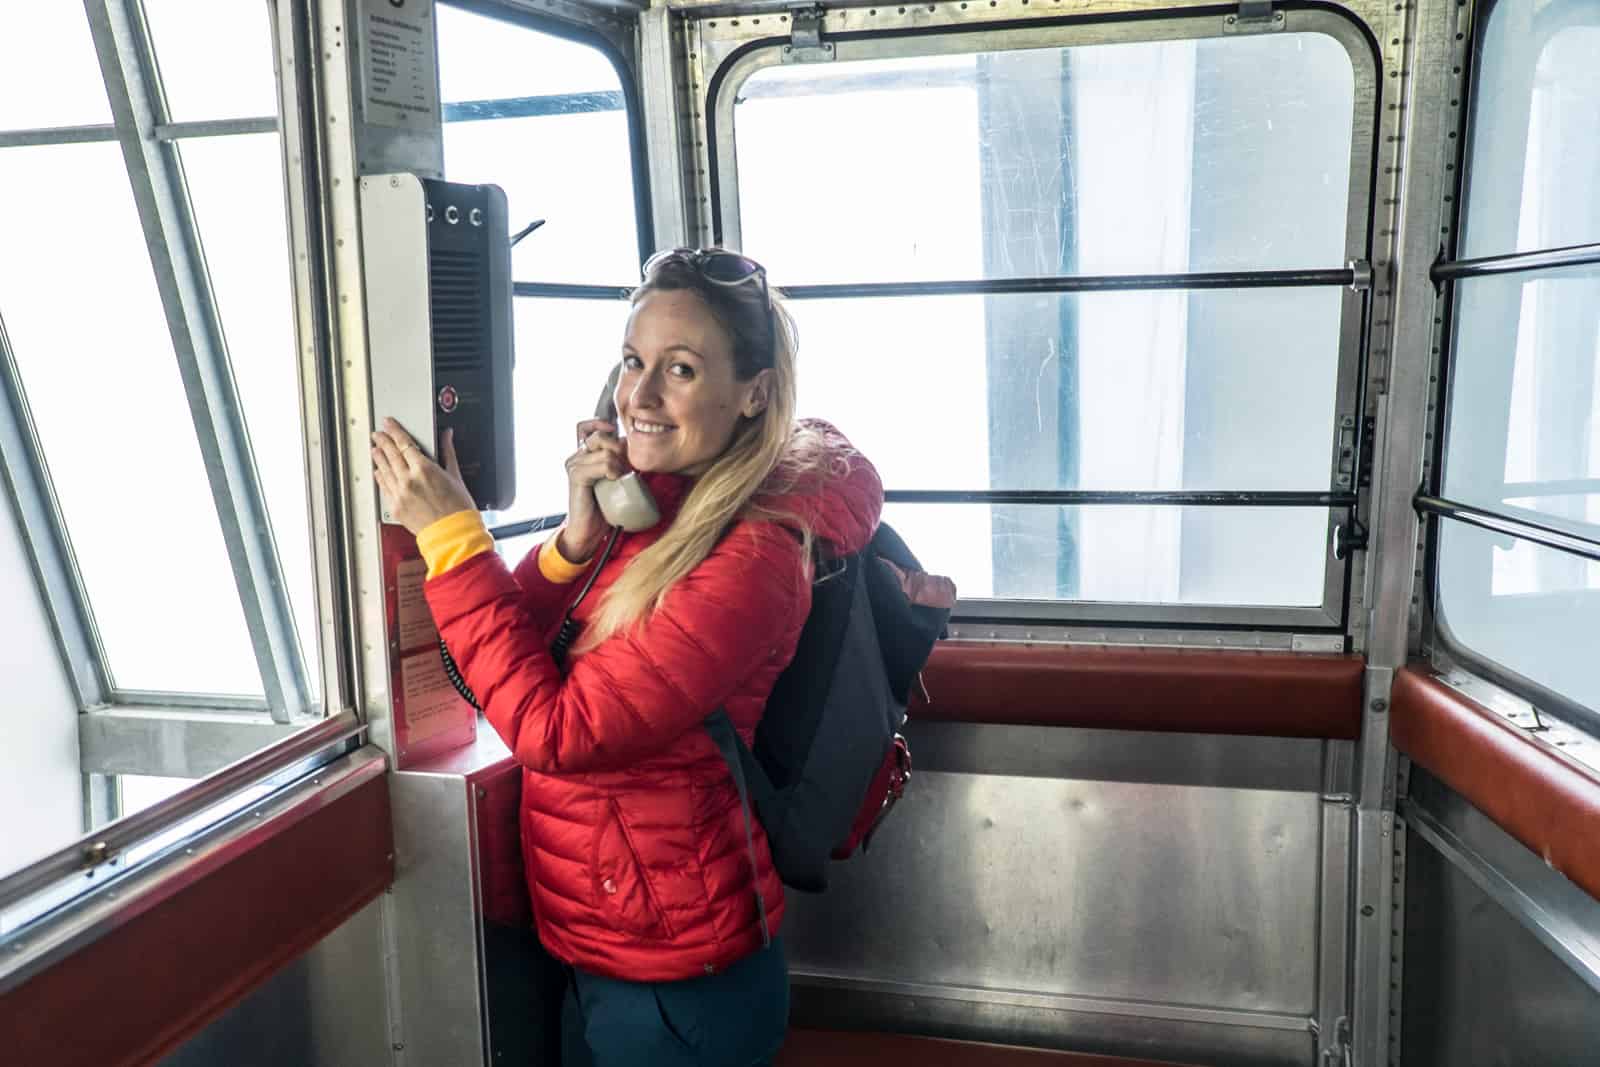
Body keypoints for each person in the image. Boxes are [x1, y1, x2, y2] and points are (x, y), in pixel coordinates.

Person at [371, 247, 883, 1067]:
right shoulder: (659, 512)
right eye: (632, 361)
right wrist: (577, 539)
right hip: (611, 943)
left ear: (754, 394)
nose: (637, 396)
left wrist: (454, 538)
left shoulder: (750, 559)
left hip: (682, 981)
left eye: (679, 370)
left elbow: (558, 728)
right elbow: (533, 647)